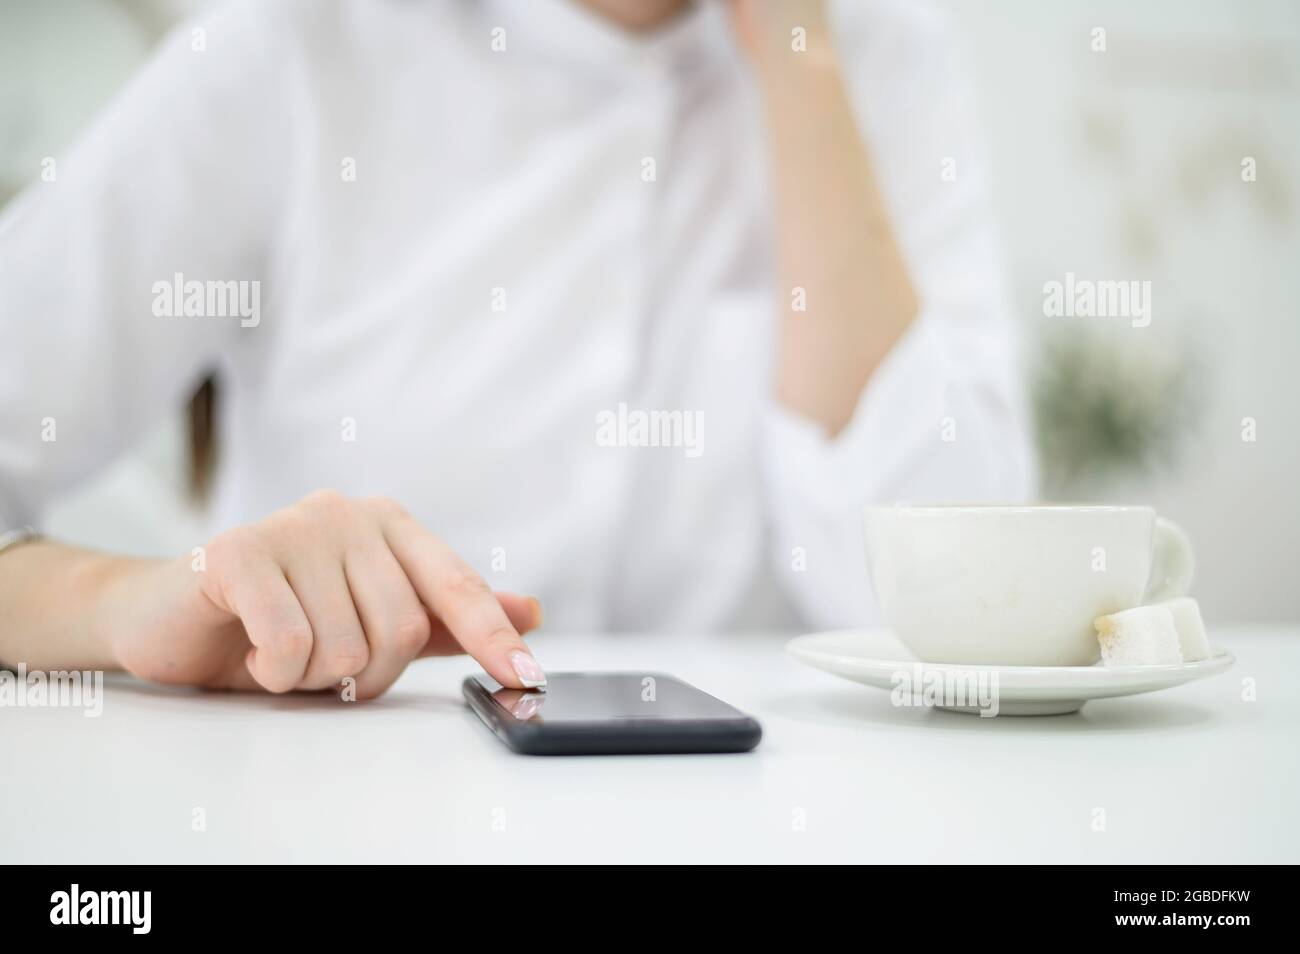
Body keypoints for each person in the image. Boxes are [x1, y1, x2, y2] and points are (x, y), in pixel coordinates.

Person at [0, 0, 1033, 699]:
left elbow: (972, 609)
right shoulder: (291, 44)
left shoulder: (879, 44)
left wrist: (800, 56)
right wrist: (124, 601)